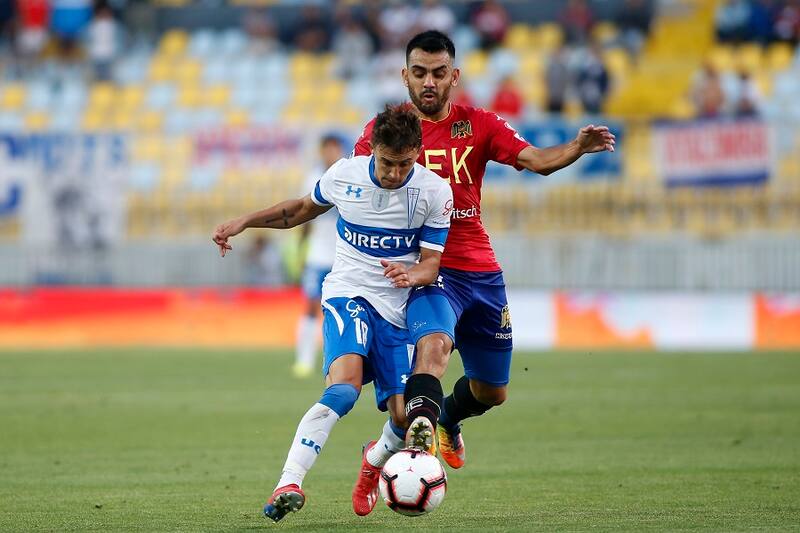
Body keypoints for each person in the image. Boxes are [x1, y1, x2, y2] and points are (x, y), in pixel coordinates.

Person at [350, 30, 615, 515]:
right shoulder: (384, 132)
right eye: (419, 72)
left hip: (480, 272)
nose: (428, 82)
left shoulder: (479, 125)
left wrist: (576, 147)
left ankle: (447, 419)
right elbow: (356, 193)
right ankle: (408, 453)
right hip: (429, 270)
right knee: (433, 349)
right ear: (404, 75)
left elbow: (536, 160)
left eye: (438, 73)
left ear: (454, 76)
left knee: (492, 391)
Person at [212, 104, 453, 523]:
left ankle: (374, 460)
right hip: (347, 292)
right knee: (344, 389)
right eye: (387, 162)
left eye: (405, 164)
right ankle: (289, 482)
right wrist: (245, 221)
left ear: (418, 153)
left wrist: (411, 273)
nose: (395, 173)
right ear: (372, 149)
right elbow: (299, 211)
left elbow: (431, 263)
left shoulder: (434, 192)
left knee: (404, 417)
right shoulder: (345, 175)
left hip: (397, 306)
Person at [293, 134, 344, 378]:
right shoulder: (313, 178)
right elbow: (303, 216)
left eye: (335, 149)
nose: (331, 154)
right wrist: (301, 250)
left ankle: (336, 360)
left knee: (340, 308)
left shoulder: (348, 177)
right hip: (317, 253)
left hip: (343, 255)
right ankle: (304, 360)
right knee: (312, 304)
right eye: (327, 149)